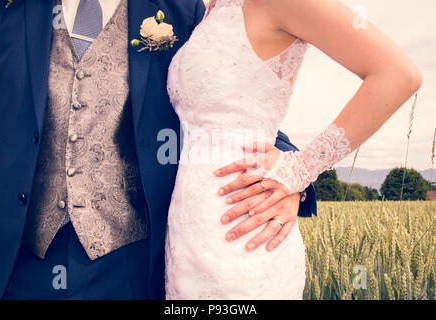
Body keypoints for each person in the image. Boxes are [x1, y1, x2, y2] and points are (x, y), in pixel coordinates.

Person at [0, 0, 315, 299]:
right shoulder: (2, 9)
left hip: (131, 266)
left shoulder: (180, 12)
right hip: (15, 260)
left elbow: (226, 95)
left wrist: (291, 173)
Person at [165, 0, 422, 299]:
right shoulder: (212, 8)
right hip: (186, 231)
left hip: (246, 226)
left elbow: (398, 74)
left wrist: (299, 170)